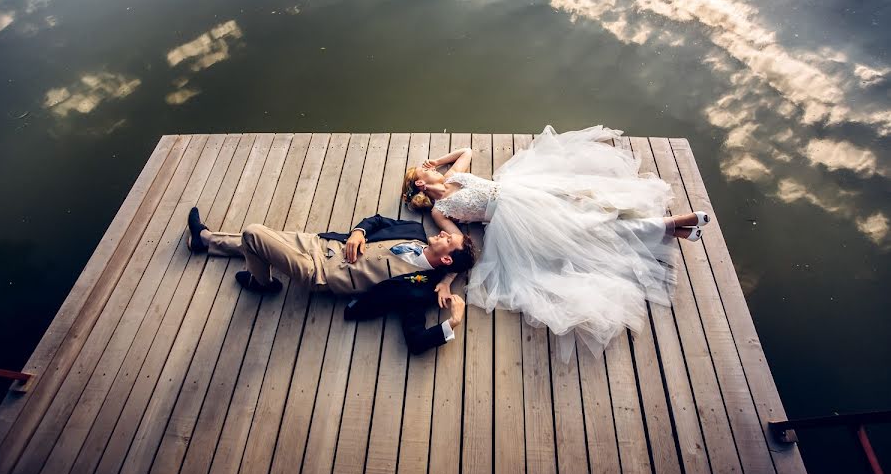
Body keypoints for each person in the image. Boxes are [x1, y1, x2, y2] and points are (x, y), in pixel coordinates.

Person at [401, 125, 711, 360]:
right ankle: (674, 225)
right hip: (514, 219)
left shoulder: (455, 176)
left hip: (525, 192)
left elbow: (466, 151)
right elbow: (459, 245)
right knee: (588, 226)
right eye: (427, 169)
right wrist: (449, 278)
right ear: (420, 183)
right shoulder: (440, 211)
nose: (434, 168)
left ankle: (677, 230)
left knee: (592, 211)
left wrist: (438, 159)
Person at [186, 209, 476, 355]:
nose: (441, 233)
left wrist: (452, 324)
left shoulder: (419, 289)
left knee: (253, 233)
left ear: (447, 260)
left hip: (319, 273)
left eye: (448, 239)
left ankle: (262, 283)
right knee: (262, 242)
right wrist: (359, 232)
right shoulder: (413, 230)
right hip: (320, 243)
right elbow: (376, 221)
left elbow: (415, 341)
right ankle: (205, 241)